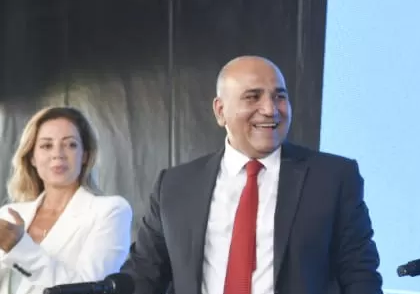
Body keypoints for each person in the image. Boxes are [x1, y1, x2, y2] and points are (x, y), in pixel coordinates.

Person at [122, 55, 383, 294]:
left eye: (279, 96)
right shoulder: (175, 185)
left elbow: (360, 276)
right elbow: (143, 275)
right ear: (220, 110)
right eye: (253, 97)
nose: (270, 109)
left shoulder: (333, 178)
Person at [0, 107, 133, 294]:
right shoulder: (9, 215)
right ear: (32, 158)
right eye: (47, 145)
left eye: (70, 144)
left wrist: (19, 248)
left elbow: (90, 289)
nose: (58, 154)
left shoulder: (110, 211)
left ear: (85, 155)